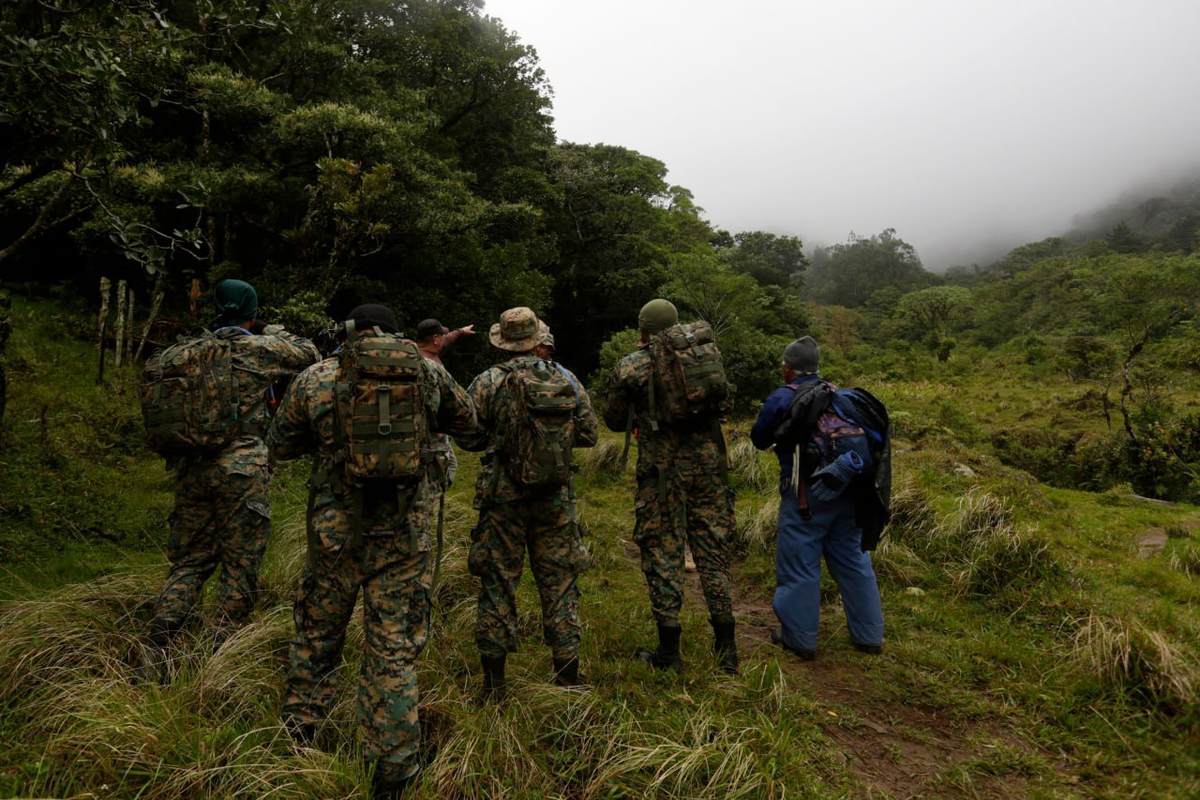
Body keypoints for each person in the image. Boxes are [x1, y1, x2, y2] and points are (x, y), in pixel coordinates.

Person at [268, 303, 477, 798]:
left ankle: (299, 741)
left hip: (334, 534)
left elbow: (280, 445)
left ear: (349, 331)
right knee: (392, 648)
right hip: (405, 534)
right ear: (393, 331)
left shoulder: (318, 375)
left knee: (317, 633)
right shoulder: (427, 373)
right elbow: (472, 430)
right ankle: (393, 770)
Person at [143, 279, 319, 671]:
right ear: (251, 313)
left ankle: (158, 647)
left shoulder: (187, 352)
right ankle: (219, 658)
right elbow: (309, 353)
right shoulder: (257, 348)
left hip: (192, 467)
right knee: (240, 563)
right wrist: (272, 330)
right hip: (242, 468)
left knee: (189, 562)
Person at [455, 307, 599, 698]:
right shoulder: (565, 377)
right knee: (561, 583)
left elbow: (467, 437)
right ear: (537, 338)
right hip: (555, 497)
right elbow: (588, 434)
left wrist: (500, 439)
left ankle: (494, 686)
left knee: (498, 582)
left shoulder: (488, 381)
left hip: (503, 498)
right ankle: (568, 679)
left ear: (503, 339)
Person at [603, 299, 738, 674]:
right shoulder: (703, 353)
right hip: (710, 468)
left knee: (663, 551)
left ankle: (669, 651)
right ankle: (727, 649)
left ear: (643, 330)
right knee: (713, 549)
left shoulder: (631, 365)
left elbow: (613, 420)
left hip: (662, 474)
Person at [749, 336, 884, 660]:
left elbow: (758, 438)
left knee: (799, 564)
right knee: (854, 562)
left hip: (807, 496)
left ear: (787, 368)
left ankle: (800, 638)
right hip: (851, 491)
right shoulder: (841, 397)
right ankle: (869, 636)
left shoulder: (785, 396)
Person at [415, 318, 474, 488]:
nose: (444, 339)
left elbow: (448, 340)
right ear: (435, 338)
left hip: (421, 431)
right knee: (446, 468)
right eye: (442, 336)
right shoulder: (431, 365)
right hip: (434, 432)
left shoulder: (416, 354)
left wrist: (461, 331)